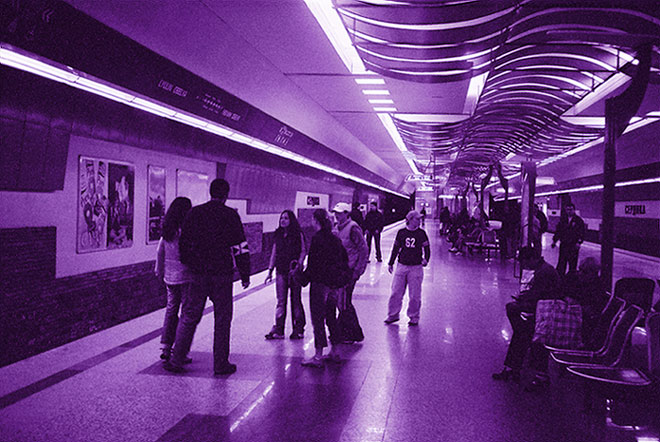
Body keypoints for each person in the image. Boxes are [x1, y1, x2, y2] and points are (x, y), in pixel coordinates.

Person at [167, 179, 251, 376]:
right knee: (222, 319)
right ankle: (220, 364)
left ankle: (176, 359)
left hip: (198, 274)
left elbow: (184, 243)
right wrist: (245, 272)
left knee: (190, 316)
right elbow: (240, 246)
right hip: (222, 274)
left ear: (210, 192)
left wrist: (190, 263)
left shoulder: (195, 213)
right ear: (226, 195)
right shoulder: (230, 215)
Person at [492, 246, 559, 389]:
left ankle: (512, 368)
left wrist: (523, 299)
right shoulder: (543, 269)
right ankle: (513, 367)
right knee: (520, 332)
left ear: (532, 259)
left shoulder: (543, 272)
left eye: (525, 262)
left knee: (515, 316)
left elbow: (540, 295)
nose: (525, 266)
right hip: (544, 309)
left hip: (546, 313)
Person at [299, 209, 348, 367]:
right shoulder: (335, 238)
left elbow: (313, 264)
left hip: (319, 284)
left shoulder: (317, 239)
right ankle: (335, 352)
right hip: (333, 285)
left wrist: (303, 278)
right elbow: (344, 259)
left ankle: (318, 356)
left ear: (315, 220)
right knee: (331, 318)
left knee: (318, 319)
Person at [154, 197, 193, 363]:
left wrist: (159, 269)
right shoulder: (185, 231)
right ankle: (179, 351)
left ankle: (165, 347)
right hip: (185, 276)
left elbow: (159, 251)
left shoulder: (167, 231)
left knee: (171, 310)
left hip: (169, 277)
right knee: (186, 313)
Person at [264, 210, 307, 340]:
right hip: (281, 271)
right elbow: (274, 252)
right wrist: (270, 270)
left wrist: (299, 264)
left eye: (286, 218)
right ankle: (279, 329)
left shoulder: (298, 234)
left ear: (291, 220)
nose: (283, 220)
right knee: (281, 301)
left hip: (294, 271)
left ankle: (298, 328)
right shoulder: (278, 234)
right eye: (281, 218)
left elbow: (303, 251)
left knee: (296, 300)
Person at [384, 211, 430, 326]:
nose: (419, 221)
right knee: (396, 292)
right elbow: (396, 248)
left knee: (415, 295)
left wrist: (426, 259)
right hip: (402, 265)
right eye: (417, 219)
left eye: (419, 219)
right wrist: (391, 262)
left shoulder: (421, 233)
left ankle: (414, 316)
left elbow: (427, 248)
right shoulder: (401, 233)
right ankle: (393, 315)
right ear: (409, 219)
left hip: (416, 267)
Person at [332, 202, 368, 341]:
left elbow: (363, 249)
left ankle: (353, 333)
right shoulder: (337, 227)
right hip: (340, 270)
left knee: (344, 301)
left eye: (339, 213)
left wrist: (358, 270)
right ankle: (344, 331)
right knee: (342, 301)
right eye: (335, 212)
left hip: (350, 270)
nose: (336, 215)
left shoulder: (353, 228)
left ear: (347, 214)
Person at [551, 203, 586, 275]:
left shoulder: (579, 221)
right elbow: (558, 231)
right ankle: (560, 276)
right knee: (562, 262)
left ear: (574, 210)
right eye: (567, 210)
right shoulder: (563, 220)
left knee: (572, 263)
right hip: (564, 244)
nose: (569, 211)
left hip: (573, 245)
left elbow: (582, 232)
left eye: (571, 209)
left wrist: (579, 242)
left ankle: (571, 277)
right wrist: (554, 241)